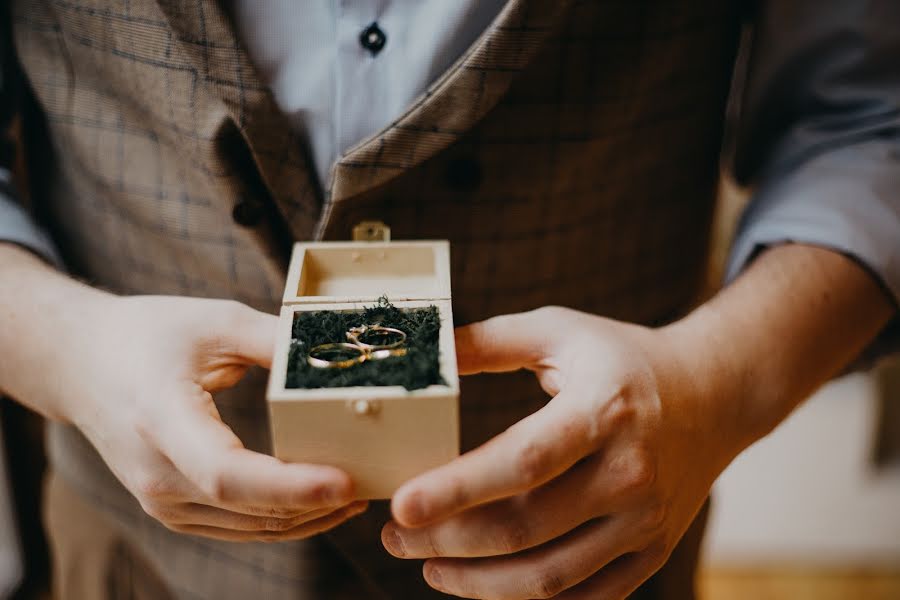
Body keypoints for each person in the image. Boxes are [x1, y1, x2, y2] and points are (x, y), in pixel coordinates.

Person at [0, 0, 897, 598]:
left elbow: (869, 119)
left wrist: (718, 384)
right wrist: (68, 348)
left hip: (596, 561)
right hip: (130, 558)